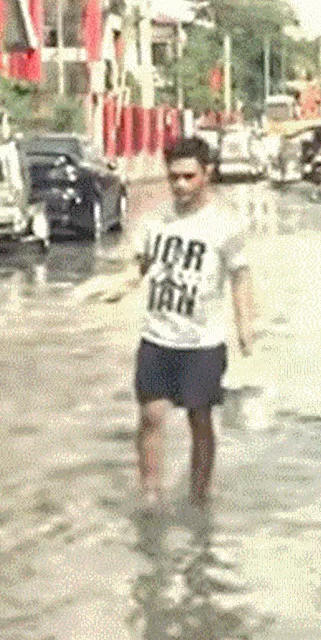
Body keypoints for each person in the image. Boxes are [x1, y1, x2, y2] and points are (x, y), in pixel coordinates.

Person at [75, 136, 257, 508]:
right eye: (173, 177)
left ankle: (199, 496)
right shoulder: (155, 221)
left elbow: (240, 277)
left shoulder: (226, 224)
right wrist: (105, 289)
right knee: (150, 417)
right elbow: (137, 271)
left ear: (207, 174)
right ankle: (150, 496)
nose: (180, 185)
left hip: (202, 341)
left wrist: (245, 327)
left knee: (200, 420)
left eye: (189, 177)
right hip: (158, 337)